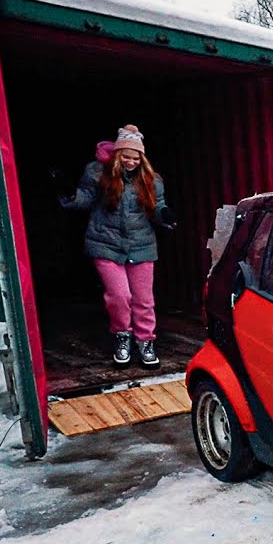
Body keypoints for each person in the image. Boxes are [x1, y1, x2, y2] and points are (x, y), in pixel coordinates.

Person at [59, 124, 174, 367]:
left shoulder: (150, 179)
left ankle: (145, 340)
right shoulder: (99, 174)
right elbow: (85, 199)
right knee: (119, 296)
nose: (131, 162)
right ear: (117, 155)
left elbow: (156, 207)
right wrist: (69, 194)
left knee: (143, 299)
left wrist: (165, 215)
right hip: (106, 243)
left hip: (141, 244)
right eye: (126, 157)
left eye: (135, 158)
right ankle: (123, 335)